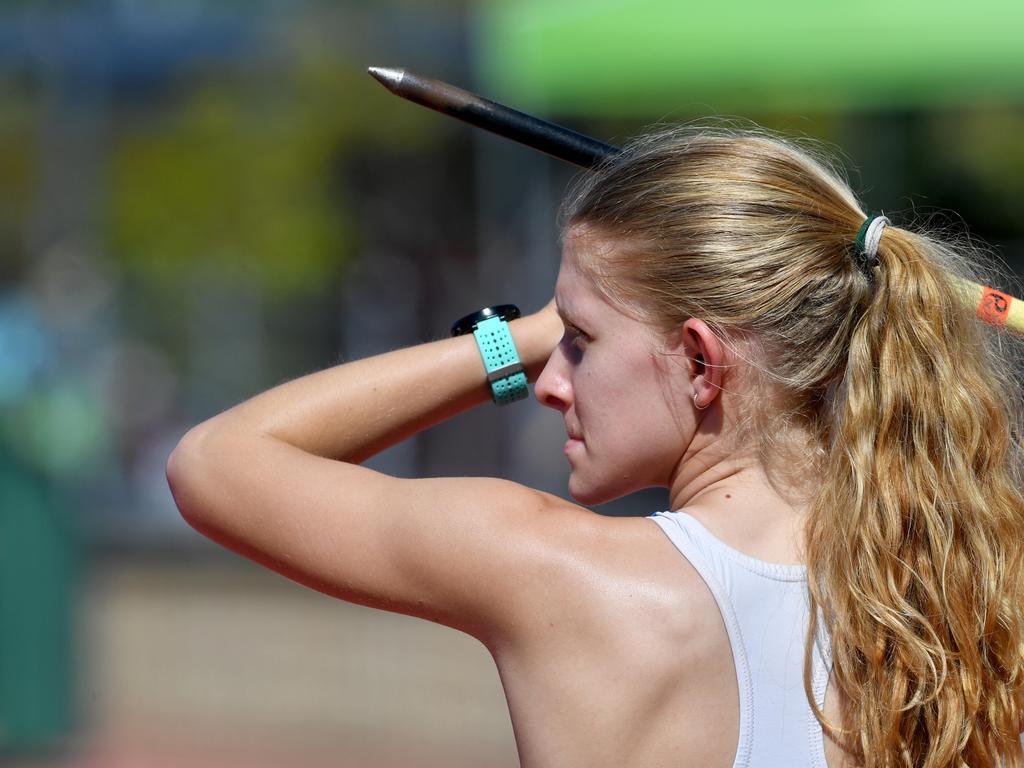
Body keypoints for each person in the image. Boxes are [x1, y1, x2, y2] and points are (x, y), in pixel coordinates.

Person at [166, 127, 1024, 767]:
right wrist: (587, 313)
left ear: (700, 362)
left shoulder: (559, 573)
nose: (549, 380)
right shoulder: (973, 587)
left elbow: (215, 463)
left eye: (577, 338)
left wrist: (508, 340)